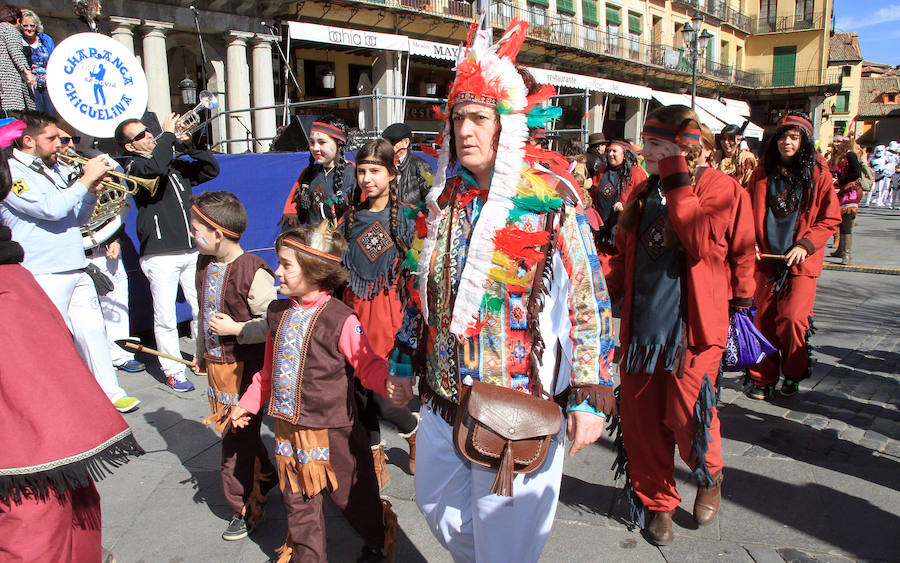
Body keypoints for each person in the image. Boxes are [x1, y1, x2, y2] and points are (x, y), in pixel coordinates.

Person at [390, 20, 615, 561]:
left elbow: (590, 301)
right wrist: (402, 362)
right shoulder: (445, 199)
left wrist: (589, 395)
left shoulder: (552, 196)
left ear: (505, 124)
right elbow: (426, 291)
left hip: (516, 404)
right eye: (458, 118)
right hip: (444, 398)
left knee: (509, 543)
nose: (465, 130)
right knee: (435, 505)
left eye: (479, 119)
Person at [229, 224, 412, 562]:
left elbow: (366, 363)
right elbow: (267, 374)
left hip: (332, 432)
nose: (276, 273)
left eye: (286, 265)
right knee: (297, 504)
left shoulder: (340, 318)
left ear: (314, 271)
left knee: (352, 498)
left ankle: (377, 536)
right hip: (287, 430)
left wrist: (386, 381)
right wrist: (247, 405)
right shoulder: (276, 314)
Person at [606, 105, 743, 546]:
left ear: (684, 148)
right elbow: (624, 258)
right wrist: (591, 288)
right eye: (646, 144)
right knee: (641, 421)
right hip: (643, 331)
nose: (643, 153)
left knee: (690, 415)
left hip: (693, 331)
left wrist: (675, 176)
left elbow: (701, 241)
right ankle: (658, 502)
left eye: (655, 146)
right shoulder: (644, 191)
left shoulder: (719, 188)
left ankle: (710, 473)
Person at [1, 112, 139, 412]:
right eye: (51, 139)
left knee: (93, 331)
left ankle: (111, 393)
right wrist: (85, 180)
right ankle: (51, 402)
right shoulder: (11, 172)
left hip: (75, 263)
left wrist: (89, 194)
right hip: (42, 270)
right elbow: (50, 209)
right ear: (28, 141)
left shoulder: (51, 169)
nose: (59, 145)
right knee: (49, 341)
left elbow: (73, 219)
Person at [189, 191, 278, 541]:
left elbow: (273, 322)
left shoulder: (253, 272)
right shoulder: (204, 265)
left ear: (218, 234)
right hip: (217, 368)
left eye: (196, 229)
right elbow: (204, 314)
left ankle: (244, 507)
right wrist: (200, 349)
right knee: (241, 434)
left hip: (246, 371)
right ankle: (266, 477)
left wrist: (237, 329)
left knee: (233, 440)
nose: (192, 235)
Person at [115, 115, 220, 392]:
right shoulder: (136, 166)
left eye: (149, 132)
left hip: (190, 248)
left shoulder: (171, 162)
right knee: (165, 317)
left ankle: (201, 358)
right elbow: (155, 169)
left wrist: (187, 145)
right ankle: (173, 369)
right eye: (140, 136)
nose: (149, 136)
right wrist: (167, 136)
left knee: (202, 308)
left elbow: (211, 169)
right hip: (160, 254)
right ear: (129, 147)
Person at [341, 138, 419, 489]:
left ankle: (413, 431)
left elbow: (416, 273)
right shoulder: (349, 217)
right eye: (361, 171)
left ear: (391, 172)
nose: (366, 178)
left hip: (389, 315)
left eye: (374, 170)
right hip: (353, 311)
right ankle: (374, 457)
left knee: (382, 394)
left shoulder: (406, 217)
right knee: (358, 395)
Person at [745, 112, 840, 400]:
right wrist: (751, 243)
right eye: (783, 136)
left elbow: (830, 218)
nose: (787, 142)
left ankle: (795, 371)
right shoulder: (761, 174)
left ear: (804, 141)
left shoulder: (819, 174)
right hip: (766, 262)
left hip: (800, 263)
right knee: (763, 321)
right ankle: (763, 378)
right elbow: (746, 215)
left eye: (794, 137)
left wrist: (807, 245)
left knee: (793, 319)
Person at [56, 121, 145, 373]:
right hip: (72, 248)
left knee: (116, 301)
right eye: (63, 140)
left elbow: (115, 205)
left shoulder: (91, 162)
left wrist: (114, 237)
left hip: (102, 243)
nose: (70, 144)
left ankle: (119, 352)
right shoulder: (53, 172)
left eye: (72, 138)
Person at [280, 115, 356, 227]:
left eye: (322, 142)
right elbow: (293, 211)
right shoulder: (308, 173)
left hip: (340, 241)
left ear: (339, 144)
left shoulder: (353, 174)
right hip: (312, 239)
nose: (315, 148)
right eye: (312, 142)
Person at [591, 138, 648, 274]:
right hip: (603, 231)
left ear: (625, 154)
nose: (611, 154)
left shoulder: (636, 173)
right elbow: (593, 193)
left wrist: (625, 205)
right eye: (609, 151)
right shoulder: (601, 172)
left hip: (623, 232)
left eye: (615, 151)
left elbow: (643, 198)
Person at [381, 122, 433, 207]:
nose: (387, 147)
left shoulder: (421, 166)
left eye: (392, 142)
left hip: (410, 217)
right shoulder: (381, 164)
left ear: (406, 142)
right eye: (385, 143)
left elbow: (431, 197)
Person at [0, 5, 35, 113]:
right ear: (17, 20)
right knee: (13, 118)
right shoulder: (9, 29)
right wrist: (28, 72)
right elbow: (16, 52)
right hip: (8, 83)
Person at [19, 10, 54, 115]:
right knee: (36, 115)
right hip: (30, 84)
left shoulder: (46, 40)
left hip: (48, 83)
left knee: (51, 114)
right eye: (25, 26)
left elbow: (53, 58)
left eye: (32, 26)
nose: (29, 29)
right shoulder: (19, 41)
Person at [831, 150, 862, 264]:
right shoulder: (836, 156)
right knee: (838, 221)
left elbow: (857, 174)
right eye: (836, 140)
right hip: (839, 193)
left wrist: (840, 180)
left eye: (840, 141)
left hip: (849, 194)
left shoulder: (850, 155)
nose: (837, 143)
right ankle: (840, 250)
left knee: (846, 222)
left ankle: (846, 254)